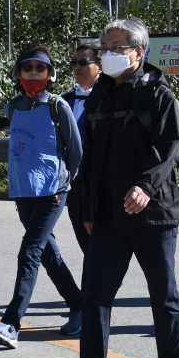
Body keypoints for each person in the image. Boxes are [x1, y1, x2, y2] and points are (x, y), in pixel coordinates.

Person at [60, 17, 179, 358]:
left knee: (162, 294)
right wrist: (89, 206)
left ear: (139, 52)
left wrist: (146, 187)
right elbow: (93, 156)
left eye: (118, 47)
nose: (109, 54)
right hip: (109, 217)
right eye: (106, 48)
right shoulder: (99, 94)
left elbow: (169, 151)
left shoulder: (160, 95)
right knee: (97, 294)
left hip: (153, 214)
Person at [0, 46, 84, 348]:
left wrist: (64, 181)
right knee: (47, 254)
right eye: (27, 68)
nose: (33, 74)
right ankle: (80, 305)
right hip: (23, 190)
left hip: (52, 191)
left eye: (40, 68)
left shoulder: (58, 106)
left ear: (50, 74)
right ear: (18, 74)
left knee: (29, 251)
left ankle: (11, 323)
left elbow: (75, 151)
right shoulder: (12, 107)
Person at [61, 43, 101, 256]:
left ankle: (95, 286)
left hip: (98, 182)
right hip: (73, 182)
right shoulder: (65, 99)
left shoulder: (107, 98)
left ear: (100, 66)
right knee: (84, 240)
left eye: (84, 62)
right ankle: (93, 287)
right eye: (74, 63)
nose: (77, 67)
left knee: (99, 239)